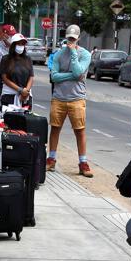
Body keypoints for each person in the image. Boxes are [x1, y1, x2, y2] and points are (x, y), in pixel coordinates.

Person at [47, 24, 93, 177]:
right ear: (65, 37)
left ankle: (83, 162)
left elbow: (79, 71)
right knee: (55, 128)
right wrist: (72, 76)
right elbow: (54, 76)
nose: (71, 41)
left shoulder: (85, 54)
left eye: (73, 39)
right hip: (58, 98)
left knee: (80, 131)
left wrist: (73, 53)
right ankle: (51, 159)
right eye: (69, 38)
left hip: (77, 98)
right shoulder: (59, 54)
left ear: (78, 38)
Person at [0, 33, 34, 109]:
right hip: (9, 96)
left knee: (25, 119)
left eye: (23, 44)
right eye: (18, 43)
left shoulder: (28, 59)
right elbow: (5, 78)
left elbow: (31, 76)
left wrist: (26, 91)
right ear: (13, 45)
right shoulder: (6, 59)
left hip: (25, 96)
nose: (21, 46)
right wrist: (20, 90)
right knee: (8, 119)